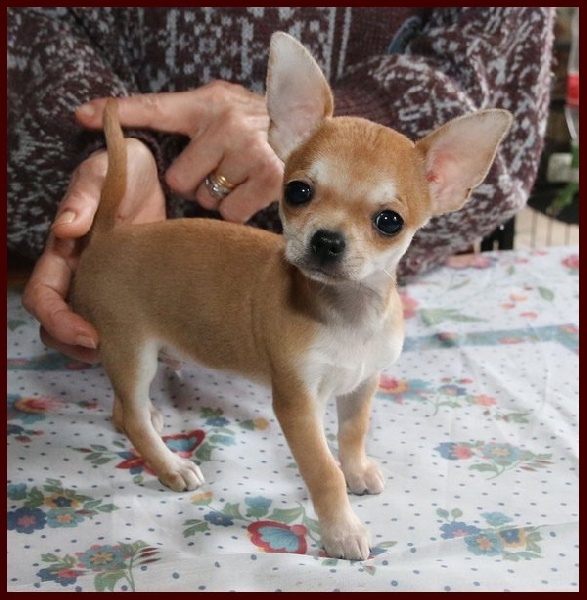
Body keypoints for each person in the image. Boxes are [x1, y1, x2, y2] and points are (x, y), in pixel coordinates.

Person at [7, 7, 555, 363]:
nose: (331, 231)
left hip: (385, 305)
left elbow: (497, 69)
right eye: (303, 191)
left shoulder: (439, 180)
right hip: (134, 271)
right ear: (287, 127)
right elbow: (34, 27)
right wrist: (111, 149)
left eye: (385, 219)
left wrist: (346, 143)